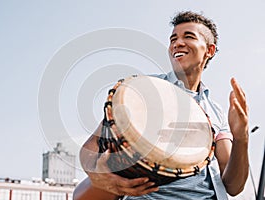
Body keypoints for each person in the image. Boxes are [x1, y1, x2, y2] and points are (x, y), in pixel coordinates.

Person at [73, 11, 249, 200]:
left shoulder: (216, 112)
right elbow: (91, 146)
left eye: (188, 36)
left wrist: (241, 138)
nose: (177, 43)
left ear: (209, 50)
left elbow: (233, 186)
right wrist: (98, 175)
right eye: (173, 39)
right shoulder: (144, 90)